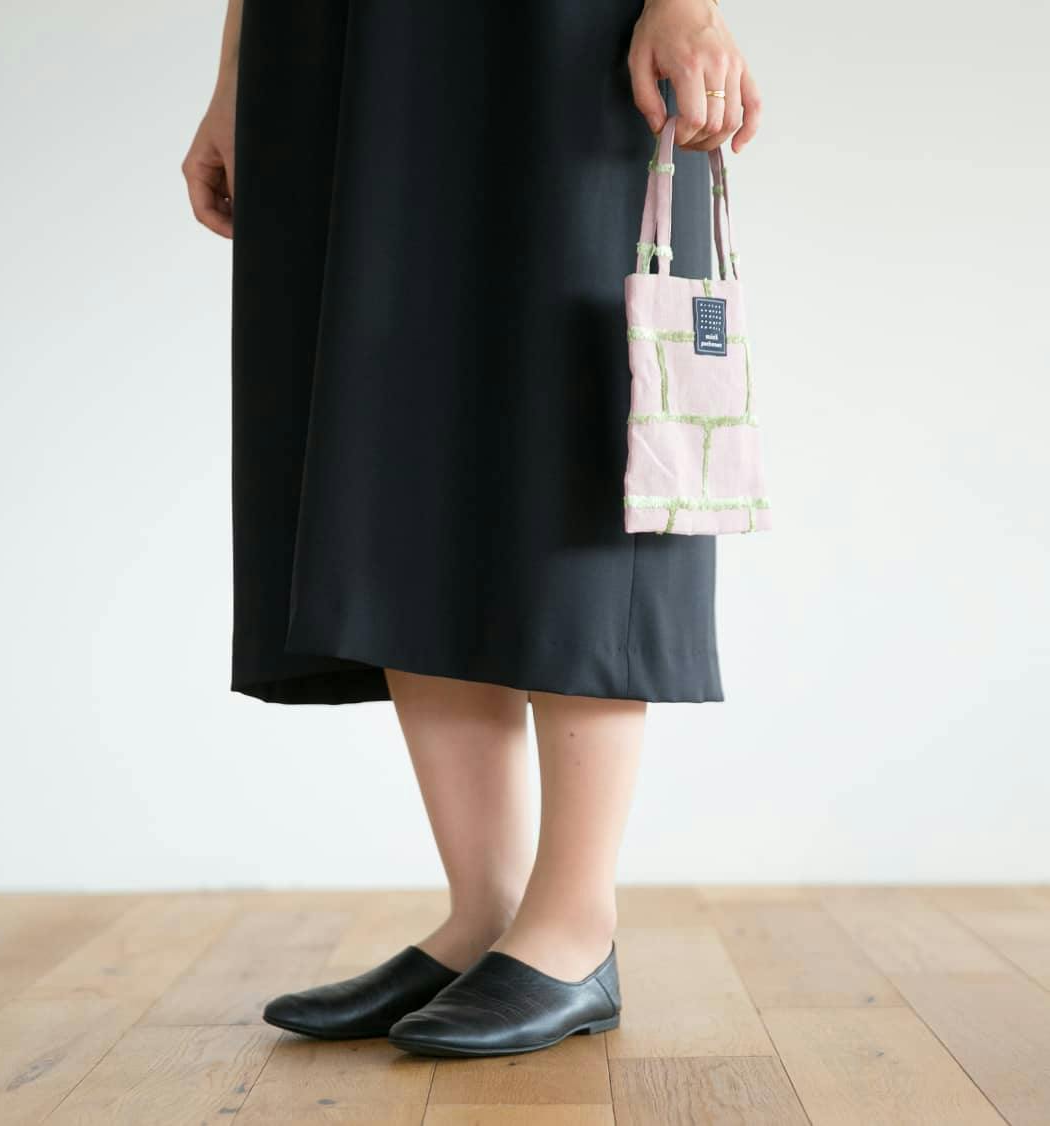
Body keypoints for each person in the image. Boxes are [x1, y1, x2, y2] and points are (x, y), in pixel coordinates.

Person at [182, 0, 760, 1058]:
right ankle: (485, 915)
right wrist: (237, 66)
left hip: (553, 27)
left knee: (567, 420)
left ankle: (574, 923)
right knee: (390, 432)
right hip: (337, 31)